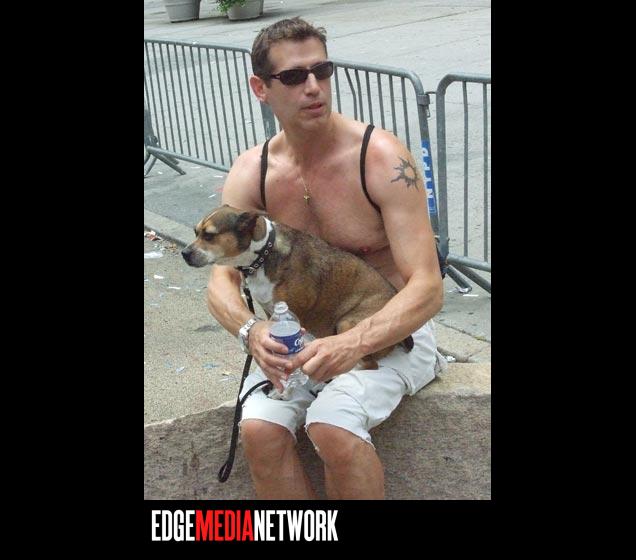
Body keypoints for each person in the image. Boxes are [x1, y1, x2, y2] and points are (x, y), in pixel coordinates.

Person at [206, 17, 445, 499]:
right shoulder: (253, 171)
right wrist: (251, 332)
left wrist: (354, 341)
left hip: (388, 335)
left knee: (333, 424)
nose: (313, 87)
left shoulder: (379, 157)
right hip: (299, 339)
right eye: (294, 76)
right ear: (261, 88)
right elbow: (221, 281)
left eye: (322, 70)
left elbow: (427, 285)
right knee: (259, 431)